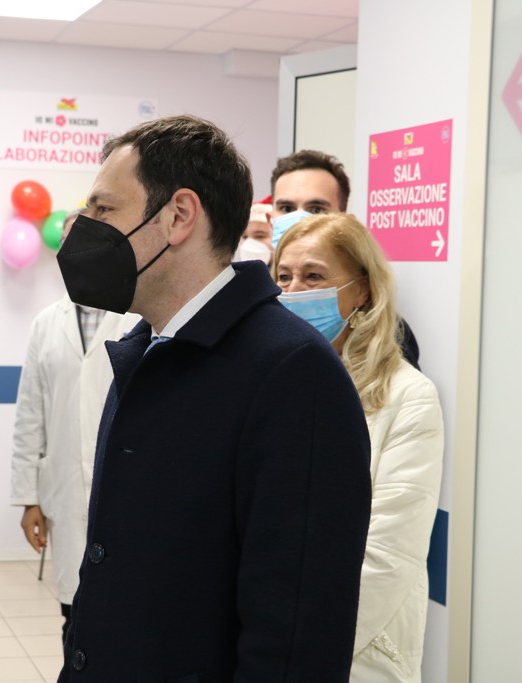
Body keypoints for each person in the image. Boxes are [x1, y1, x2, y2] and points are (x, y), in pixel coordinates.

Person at [55, 114, 371, 680]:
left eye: (104, 209)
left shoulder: (292, 372)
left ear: (179, 215)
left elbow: (296, 633)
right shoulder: (144, 349)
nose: (84, 227)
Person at [273, 212, 444, 683]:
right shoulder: (269, 384)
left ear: (362, 290)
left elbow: (388, 557)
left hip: (352, 655)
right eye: (283, 277)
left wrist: (297, 653)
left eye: (314, 277)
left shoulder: (408, 396)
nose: (294, 291)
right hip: (264, 639)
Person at [10, 210, 140, 639]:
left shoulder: (138, 317)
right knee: (76, 611)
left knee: (125, 607)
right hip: (63, 489)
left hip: (126, 485)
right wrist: (28, 498)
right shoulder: (46, 323)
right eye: (70, 242)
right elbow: (30, 415)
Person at [270, 149, 421, 368]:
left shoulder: (387, 336)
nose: (299, 220)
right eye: (286, 208)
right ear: (271, 217)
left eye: (316, 209)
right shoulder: (251, 308)